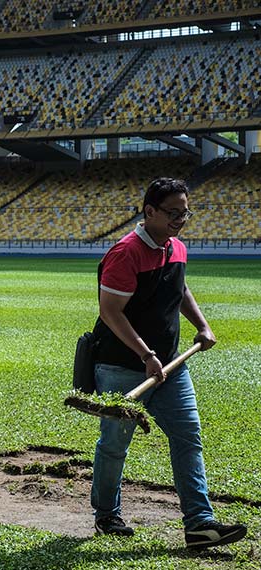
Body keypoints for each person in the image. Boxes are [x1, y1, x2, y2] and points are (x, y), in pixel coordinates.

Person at [89, 178, 246, 548]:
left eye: (185, 213)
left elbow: (180, 289)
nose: (181, 220)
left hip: (170, 367)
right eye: (173, 213)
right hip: (122, 367)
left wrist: (202, 325)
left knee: (188, 437)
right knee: (114, 445)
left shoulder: (176, 248)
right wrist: (146, 355)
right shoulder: (126, 253)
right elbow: (110, 312)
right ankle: (107, 514)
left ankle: (199, 524)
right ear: (150, 212)